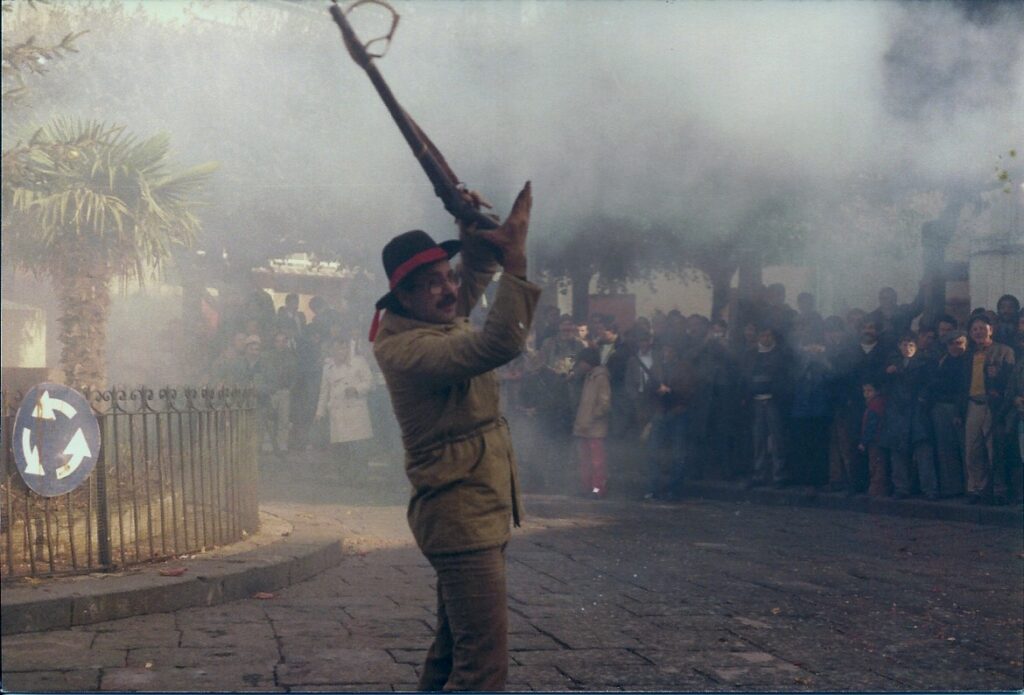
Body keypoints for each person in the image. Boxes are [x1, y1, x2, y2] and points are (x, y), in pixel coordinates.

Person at [371, 183, 538, 691]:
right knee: (482, 666)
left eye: (447, 275)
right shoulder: (406, 349)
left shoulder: (431, 319)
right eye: (431, 284)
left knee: (452, 651)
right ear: (403, 296)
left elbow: (470, 284)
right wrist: (515, 260)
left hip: (477, 509)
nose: (447, 290)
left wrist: (470, 231)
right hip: (458, 517)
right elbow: (500, 342)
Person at [963, 315, 1015, 505]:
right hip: (973, 404)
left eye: (982, 328)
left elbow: (1011, 380)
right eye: (974, 329)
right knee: (973, 449)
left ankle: (998, 490)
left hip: (994, 405)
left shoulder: (1004, 351)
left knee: (995, 448)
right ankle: (976, 488)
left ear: (991, 329)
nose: (978, 332)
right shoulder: (968, 354)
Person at [881, 332, 937, 500]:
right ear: (899, 346)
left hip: (917, 413)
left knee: (923, 452)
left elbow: (930, 384)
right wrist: (887, 373)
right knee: (897, 452)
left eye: (911, 345)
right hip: (897, 413)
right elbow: (881, 384)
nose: (907, 348)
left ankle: (930, 489)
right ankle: (901, 487)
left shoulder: (924, 363)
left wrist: (922, 399)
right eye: (904, 344)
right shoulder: (891, 365)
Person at [315, 336, 374, 480]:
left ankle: (361, 477)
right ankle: (345, 477)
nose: (341, 351)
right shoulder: (328, 367)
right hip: (337, 411)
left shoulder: (359, 363)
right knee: (341, 447)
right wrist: (319, 412)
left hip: (356, 411)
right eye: (337, 348)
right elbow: (324, 391)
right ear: (332, 350)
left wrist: (356, 389)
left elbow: (370, 383)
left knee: (359, 447)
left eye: (343, 348)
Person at [927, 330, 968, 498]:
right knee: (945, 450)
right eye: (951, 343)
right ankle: (952, 488)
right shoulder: (942, 360)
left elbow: (964, 388)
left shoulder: (968, 361)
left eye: (959, 343)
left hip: (960, 407)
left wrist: (959, 410)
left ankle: (970, 487)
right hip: (940, 406)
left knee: (965, 448)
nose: (954, 347)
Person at [571, 347, 611, 498]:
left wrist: (592, 417)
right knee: (585, 460)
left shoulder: (600, 377)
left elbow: (604, 403)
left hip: (595, 427)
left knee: (597, 461)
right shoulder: (589, 376)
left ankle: (597, 489)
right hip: (585, 426)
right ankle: (587, 488)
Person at [858, 380, 889, 497]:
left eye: (869, 390)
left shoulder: (875, 405)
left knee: (876, 465)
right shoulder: (873, 404)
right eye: (864, 391)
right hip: (876, 439)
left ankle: (877, 489)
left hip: (876, 440)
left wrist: (863, 441)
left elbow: (871, 425)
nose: (866, 393)